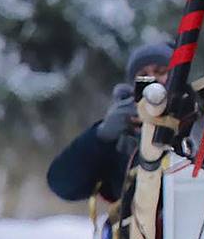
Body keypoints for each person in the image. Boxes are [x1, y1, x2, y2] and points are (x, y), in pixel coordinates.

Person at [46, 41, 173, 203]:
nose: (153, 79)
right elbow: (63, 185)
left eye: (161, 71)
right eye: (144, 75)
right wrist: (101, 136)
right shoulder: (122, 136)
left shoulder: (197, 118)